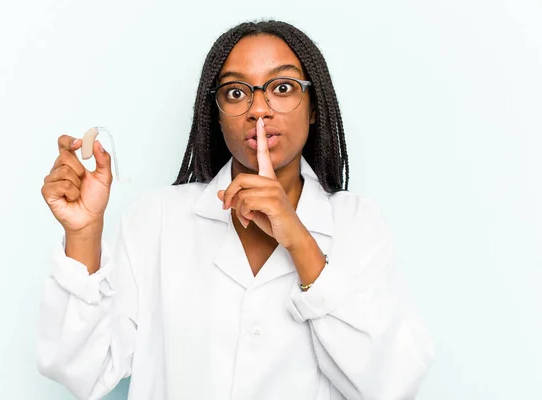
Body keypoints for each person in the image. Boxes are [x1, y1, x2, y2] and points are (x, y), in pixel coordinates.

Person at [38, 20, 434, 400]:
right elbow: (84, 373)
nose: (258, 109)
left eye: (282, 87)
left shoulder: (357, 223)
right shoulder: (157, 219)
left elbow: (391, 385)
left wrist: (300, 242)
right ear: (217, 114)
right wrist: (83, 233)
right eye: (236, 92)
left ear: (314, 107)